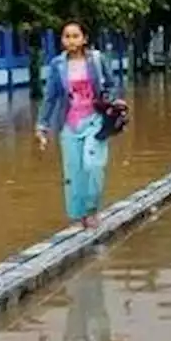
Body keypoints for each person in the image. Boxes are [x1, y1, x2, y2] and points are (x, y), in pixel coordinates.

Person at [35, 21, 125, 229]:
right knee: (74, 172)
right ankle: (79, 215)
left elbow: (111, 85)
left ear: (84, 38)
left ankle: (92, 209)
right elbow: (50, 97)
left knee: (93, 165)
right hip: (69, 124)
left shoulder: (96, 60)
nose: (71, 40)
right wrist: (42, 126)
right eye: (67, 36)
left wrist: (108, 100)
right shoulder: (58, 65)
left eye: (76, 36)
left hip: (95, 121)